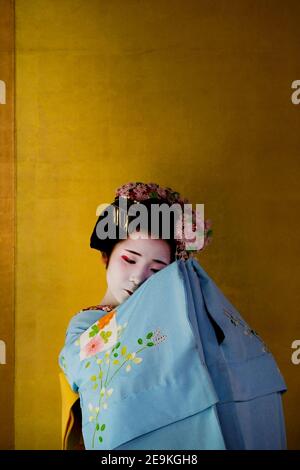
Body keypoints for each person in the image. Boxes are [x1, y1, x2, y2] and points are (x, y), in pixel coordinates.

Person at [59, 182, 287, 450]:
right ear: (106, 255)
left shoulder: (176, 321)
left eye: (157, 270)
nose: (138, 277)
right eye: (129, 259)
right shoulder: (86, 325)